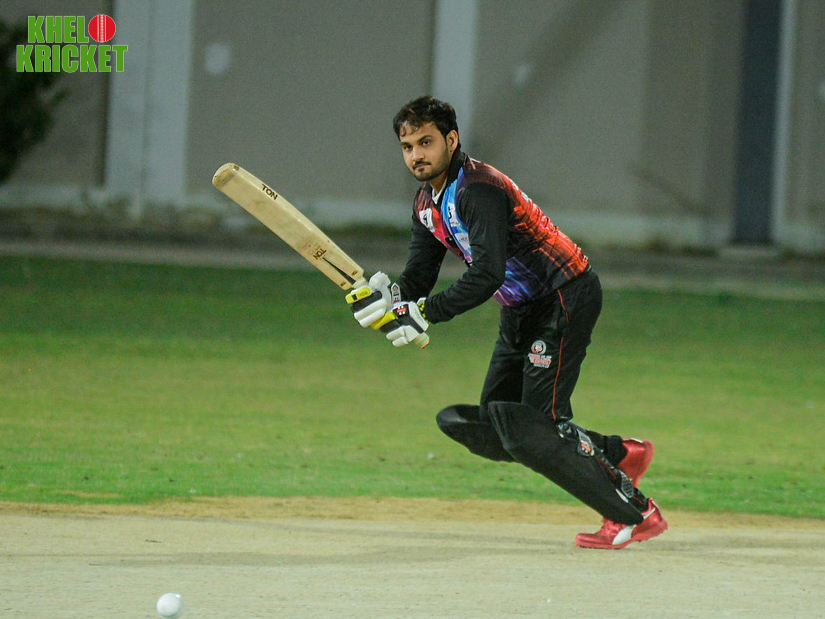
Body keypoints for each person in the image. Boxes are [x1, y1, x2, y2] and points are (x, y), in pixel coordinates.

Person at [346, 95, 667, 549]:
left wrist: (426, 313)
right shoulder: (426, 202)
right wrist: (390, 301)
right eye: (407, 146)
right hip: (520, 310)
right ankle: (618, 454)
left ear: (451, 140)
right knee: (499, 427)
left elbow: (487, 274)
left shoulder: (478, 189)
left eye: (426, 142)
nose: (416, 155)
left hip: (562, 296)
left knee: (536, 429)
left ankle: (635, 514)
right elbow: (419, 273)